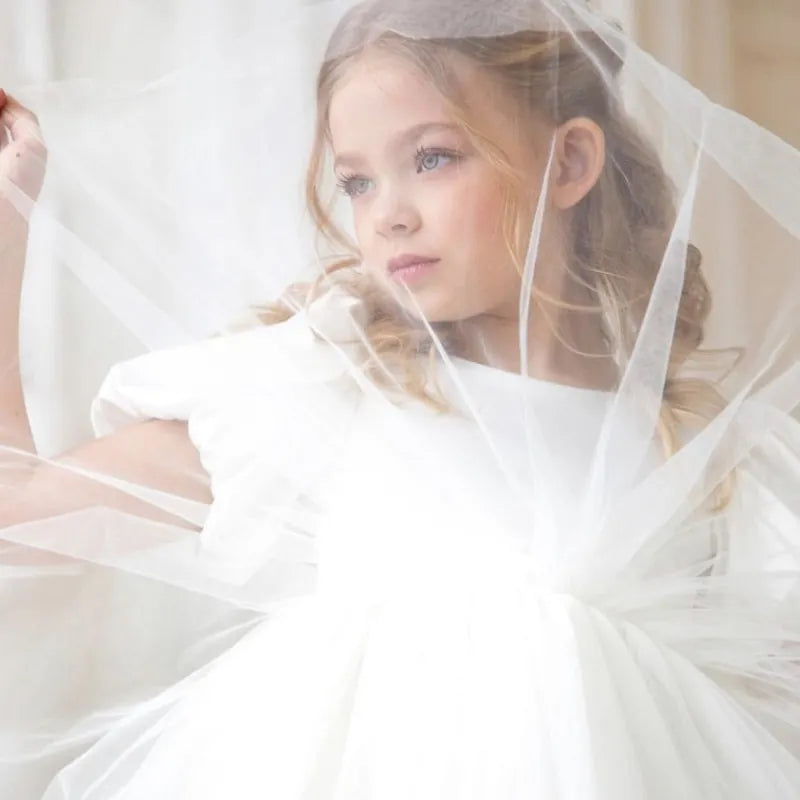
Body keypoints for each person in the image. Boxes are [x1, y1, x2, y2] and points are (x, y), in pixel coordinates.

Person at [1, 0, 799, 797]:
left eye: (432, 159)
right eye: (356, 181)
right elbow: (21, 506)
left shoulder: (694, 465)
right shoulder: (323, 395)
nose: (388, 214)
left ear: (569, 163)